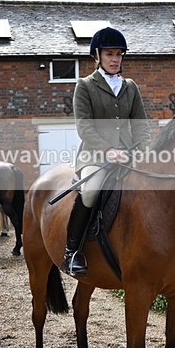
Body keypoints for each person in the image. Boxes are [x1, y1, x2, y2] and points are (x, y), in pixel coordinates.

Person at [63, 27, 151, 277]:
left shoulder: (131, 87)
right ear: (97, 56)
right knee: (90, 191)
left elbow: (141, 125)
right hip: (95, 155)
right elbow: (84, 127)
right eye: (109, 54)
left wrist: (145, 152)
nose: (115, 59)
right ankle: (72, 252)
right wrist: (108, 150)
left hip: (129, 155)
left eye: (119, 54)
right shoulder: (85, 86)